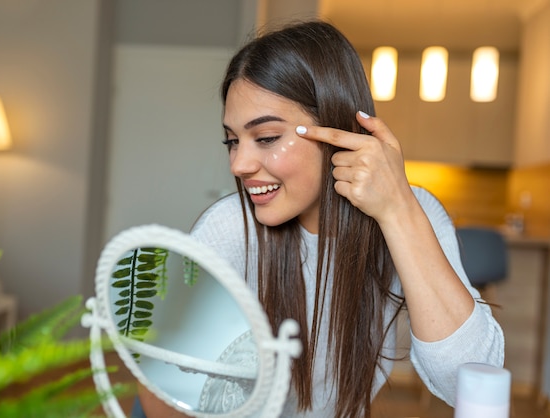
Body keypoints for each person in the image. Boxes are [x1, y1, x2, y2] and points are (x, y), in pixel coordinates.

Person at [137, 19, 505, 418]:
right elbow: (163, 387)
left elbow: (469, 379)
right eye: (232, 141)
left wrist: (398, 210)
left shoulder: (413, 212)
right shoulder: (229, 230)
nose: (239, 164)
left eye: (266, 138)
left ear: (337, 129)